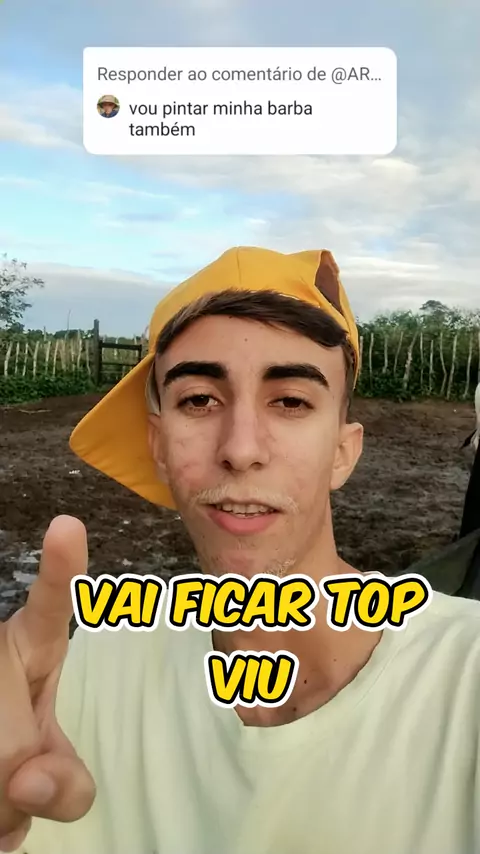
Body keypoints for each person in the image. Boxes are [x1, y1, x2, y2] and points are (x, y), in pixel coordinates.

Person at [1, 247, 479, 854]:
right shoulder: (85, 674)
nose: (241, 449)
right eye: (199, 399)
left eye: (291, 401)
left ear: (343, 452)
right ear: (158, 445)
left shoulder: (466, 678)